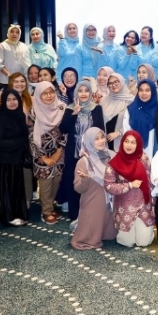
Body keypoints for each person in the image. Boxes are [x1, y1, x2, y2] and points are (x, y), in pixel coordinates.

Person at [59, 81, 105, 225]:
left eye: (86, 90)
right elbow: (63, 129)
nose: (83, 93)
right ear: (76, 93)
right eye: (80, 91)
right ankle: (74, 214)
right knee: (74, 180)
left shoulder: (96, 108)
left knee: (91, 180)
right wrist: (74, 114)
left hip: (92, 150)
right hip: (73, 150)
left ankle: (89, 213)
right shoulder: (70, 108)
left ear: (90, 93)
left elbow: (100, 130)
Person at [105, 130, 155, 247]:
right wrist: (129, 185)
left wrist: (153, 204)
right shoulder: (114, 162)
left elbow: (151, 183)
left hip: (143, 206)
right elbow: (108, 185)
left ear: (138, 144)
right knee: (127, 242)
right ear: (122, 142)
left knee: (144, 242)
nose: (129, 145)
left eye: (133, 142)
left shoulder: (144, 159)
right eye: (126, 141)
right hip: (124, 208)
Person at [70, 128, 119, 250]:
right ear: (89, 141)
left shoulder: (112, 156)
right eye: (96, 139)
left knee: (111, 235)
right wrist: (85, 179)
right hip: (93, 203)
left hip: (111, 202)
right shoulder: (84, 161)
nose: (101, 141)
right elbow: (78, 189)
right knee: (88, 238)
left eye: (102, 137)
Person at [0, 89, 29, 226]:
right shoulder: (1, 118)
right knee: (5, 190)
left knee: (15, 189)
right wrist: (17, 143)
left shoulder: (20, 115)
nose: (12, 102)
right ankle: (8, 216)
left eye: (14, 99)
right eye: (8, 100)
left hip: (16, 159)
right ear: (4, 101)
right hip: (2, 161)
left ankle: (16, 213)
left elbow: (24, 136)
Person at [31, 81, 67, 224]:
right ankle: (46, 211)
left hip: (59, 151)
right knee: (45, 182)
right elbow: (30, 136)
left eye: (51, 92)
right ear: (38, 95)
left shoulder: (61, 108)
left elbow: (66, 131)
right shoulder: (33, 111)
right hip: (40, 154)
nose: (49, 96)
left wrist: (58, 152)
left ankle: (50, 206)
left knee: (56, 181)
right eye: (44, 93)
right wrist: (43, 157)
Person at [101, 73, 134, 150]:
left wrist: (119, 132)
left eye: (116, 82)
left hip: (123, 141)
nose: (113, 85)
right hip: (105, 143)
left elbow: (135, 123)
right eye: (110, 83)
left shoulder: (131, 101)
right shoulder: (103, 100)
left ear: (122, 82)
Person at [128, 79, 158, 156]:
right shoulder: (131, 109)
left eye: (147, 90)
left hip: (155, 152)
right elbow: (127, 131)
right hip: (134, 151)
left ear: (153, 91)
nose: (144, 93)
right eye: (141, 90)